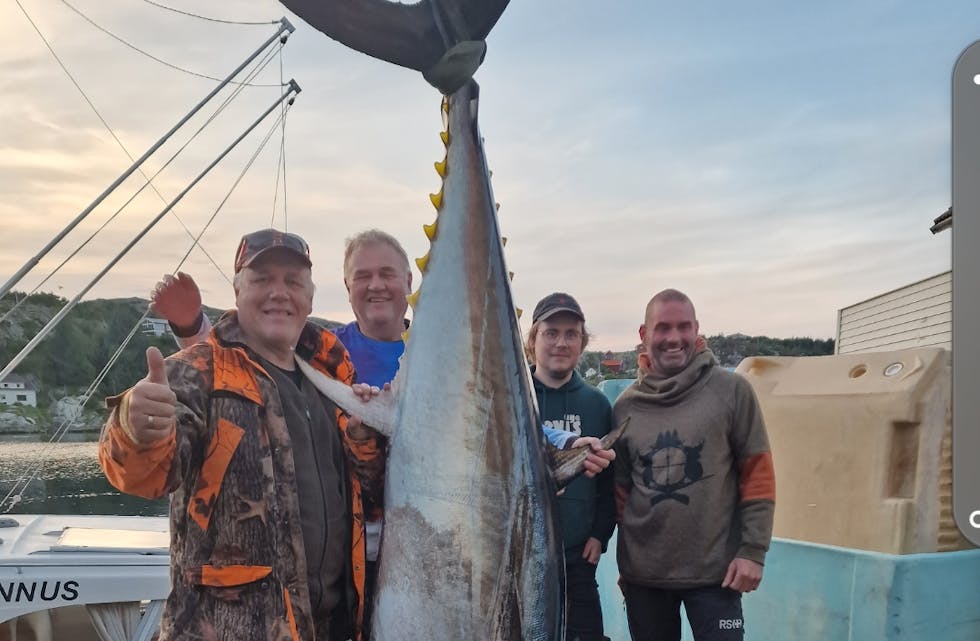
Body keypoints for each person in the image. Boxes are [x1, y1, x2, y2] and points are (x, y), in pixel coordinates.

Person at [148, 229, 608, 640]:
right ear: (345, 287)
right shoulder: (324, 355)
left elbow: (489, 423)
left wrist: (565, 444)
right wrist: (191, 330)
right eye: (362, 275)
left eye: (387, 273)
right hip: (356, 566)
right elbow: (241, 371)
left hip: (427, 559)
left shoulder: (446, 358)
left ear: (411, 282)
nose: (376, 285)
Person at [99, 228, 384, 641]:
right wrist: (136, 428)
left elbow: (369, 495)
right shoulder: (196, 372)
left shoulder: (334, 381)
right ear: (237, 291)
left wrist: (364, 438)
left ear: (309, 296)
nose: (279, 292)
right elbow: (146, 475)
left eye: (292, 281)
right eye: (262, 279)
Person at [612, 289, 775, 641]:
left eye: (683, 327)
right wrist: (628, 563)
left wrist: (752, 552)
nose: (674, 338)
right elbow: (622, 496)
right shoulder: (625, 408)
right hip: (644, 580)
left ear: (697, 329)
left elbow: (757, 477)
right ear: (644, 334)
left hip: (716, 577)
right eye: (663, 327)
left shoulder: (732, 391)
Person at [526, 292, 615, 641]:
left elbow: (610, 482)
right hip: (519, 559)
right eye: (550, 332)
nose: (560, 342)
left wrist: (600, 535)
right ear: (533, 339)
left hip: (577, 555)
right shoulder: (513, 398)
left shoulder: (596, 403)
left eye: (571, 334)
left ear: (582, 342)